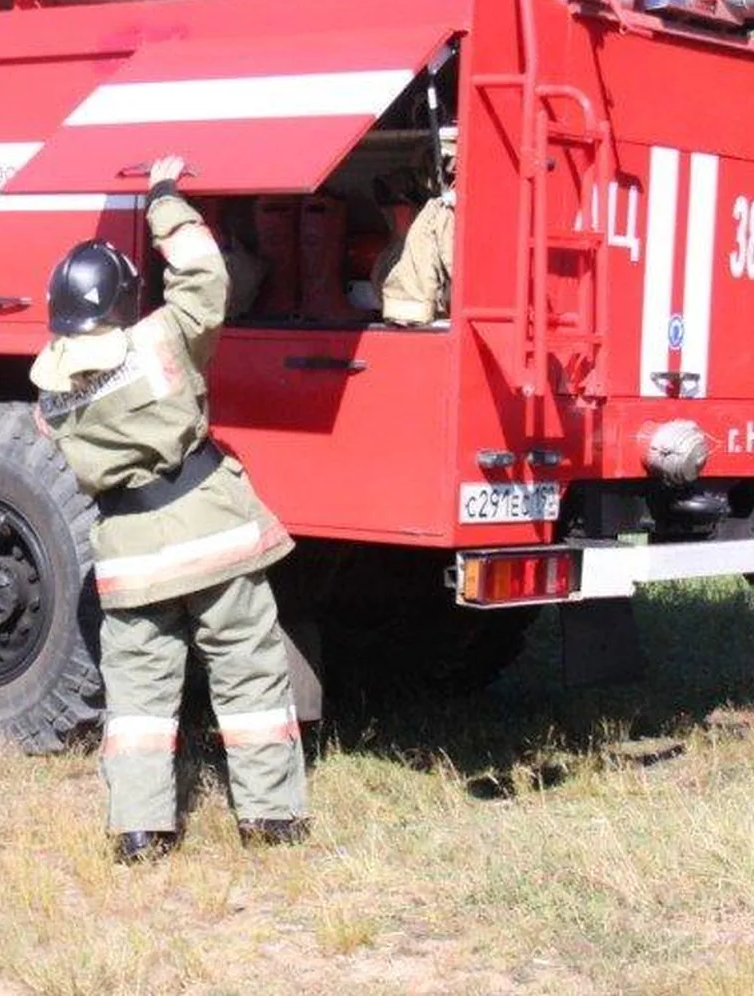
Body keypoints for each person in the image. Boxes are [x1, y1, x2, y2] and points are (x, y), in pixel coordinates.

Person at [29, 154, 310, 865]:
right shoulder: (163, 343)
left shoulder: (50, 399)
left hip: (132, 560)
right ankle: (270, 820)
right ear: (126, 302)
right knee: (248, 676)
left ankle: (140, 829)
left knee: (139, 703)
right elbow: (204, 278)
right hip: (212, 538)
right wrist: (162, 199)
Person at [375, 126, 459, 327]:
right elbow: (456, 265)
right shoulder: (440, 211)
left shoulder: (426, 212)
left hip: (398, 303)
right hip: (421, 308)